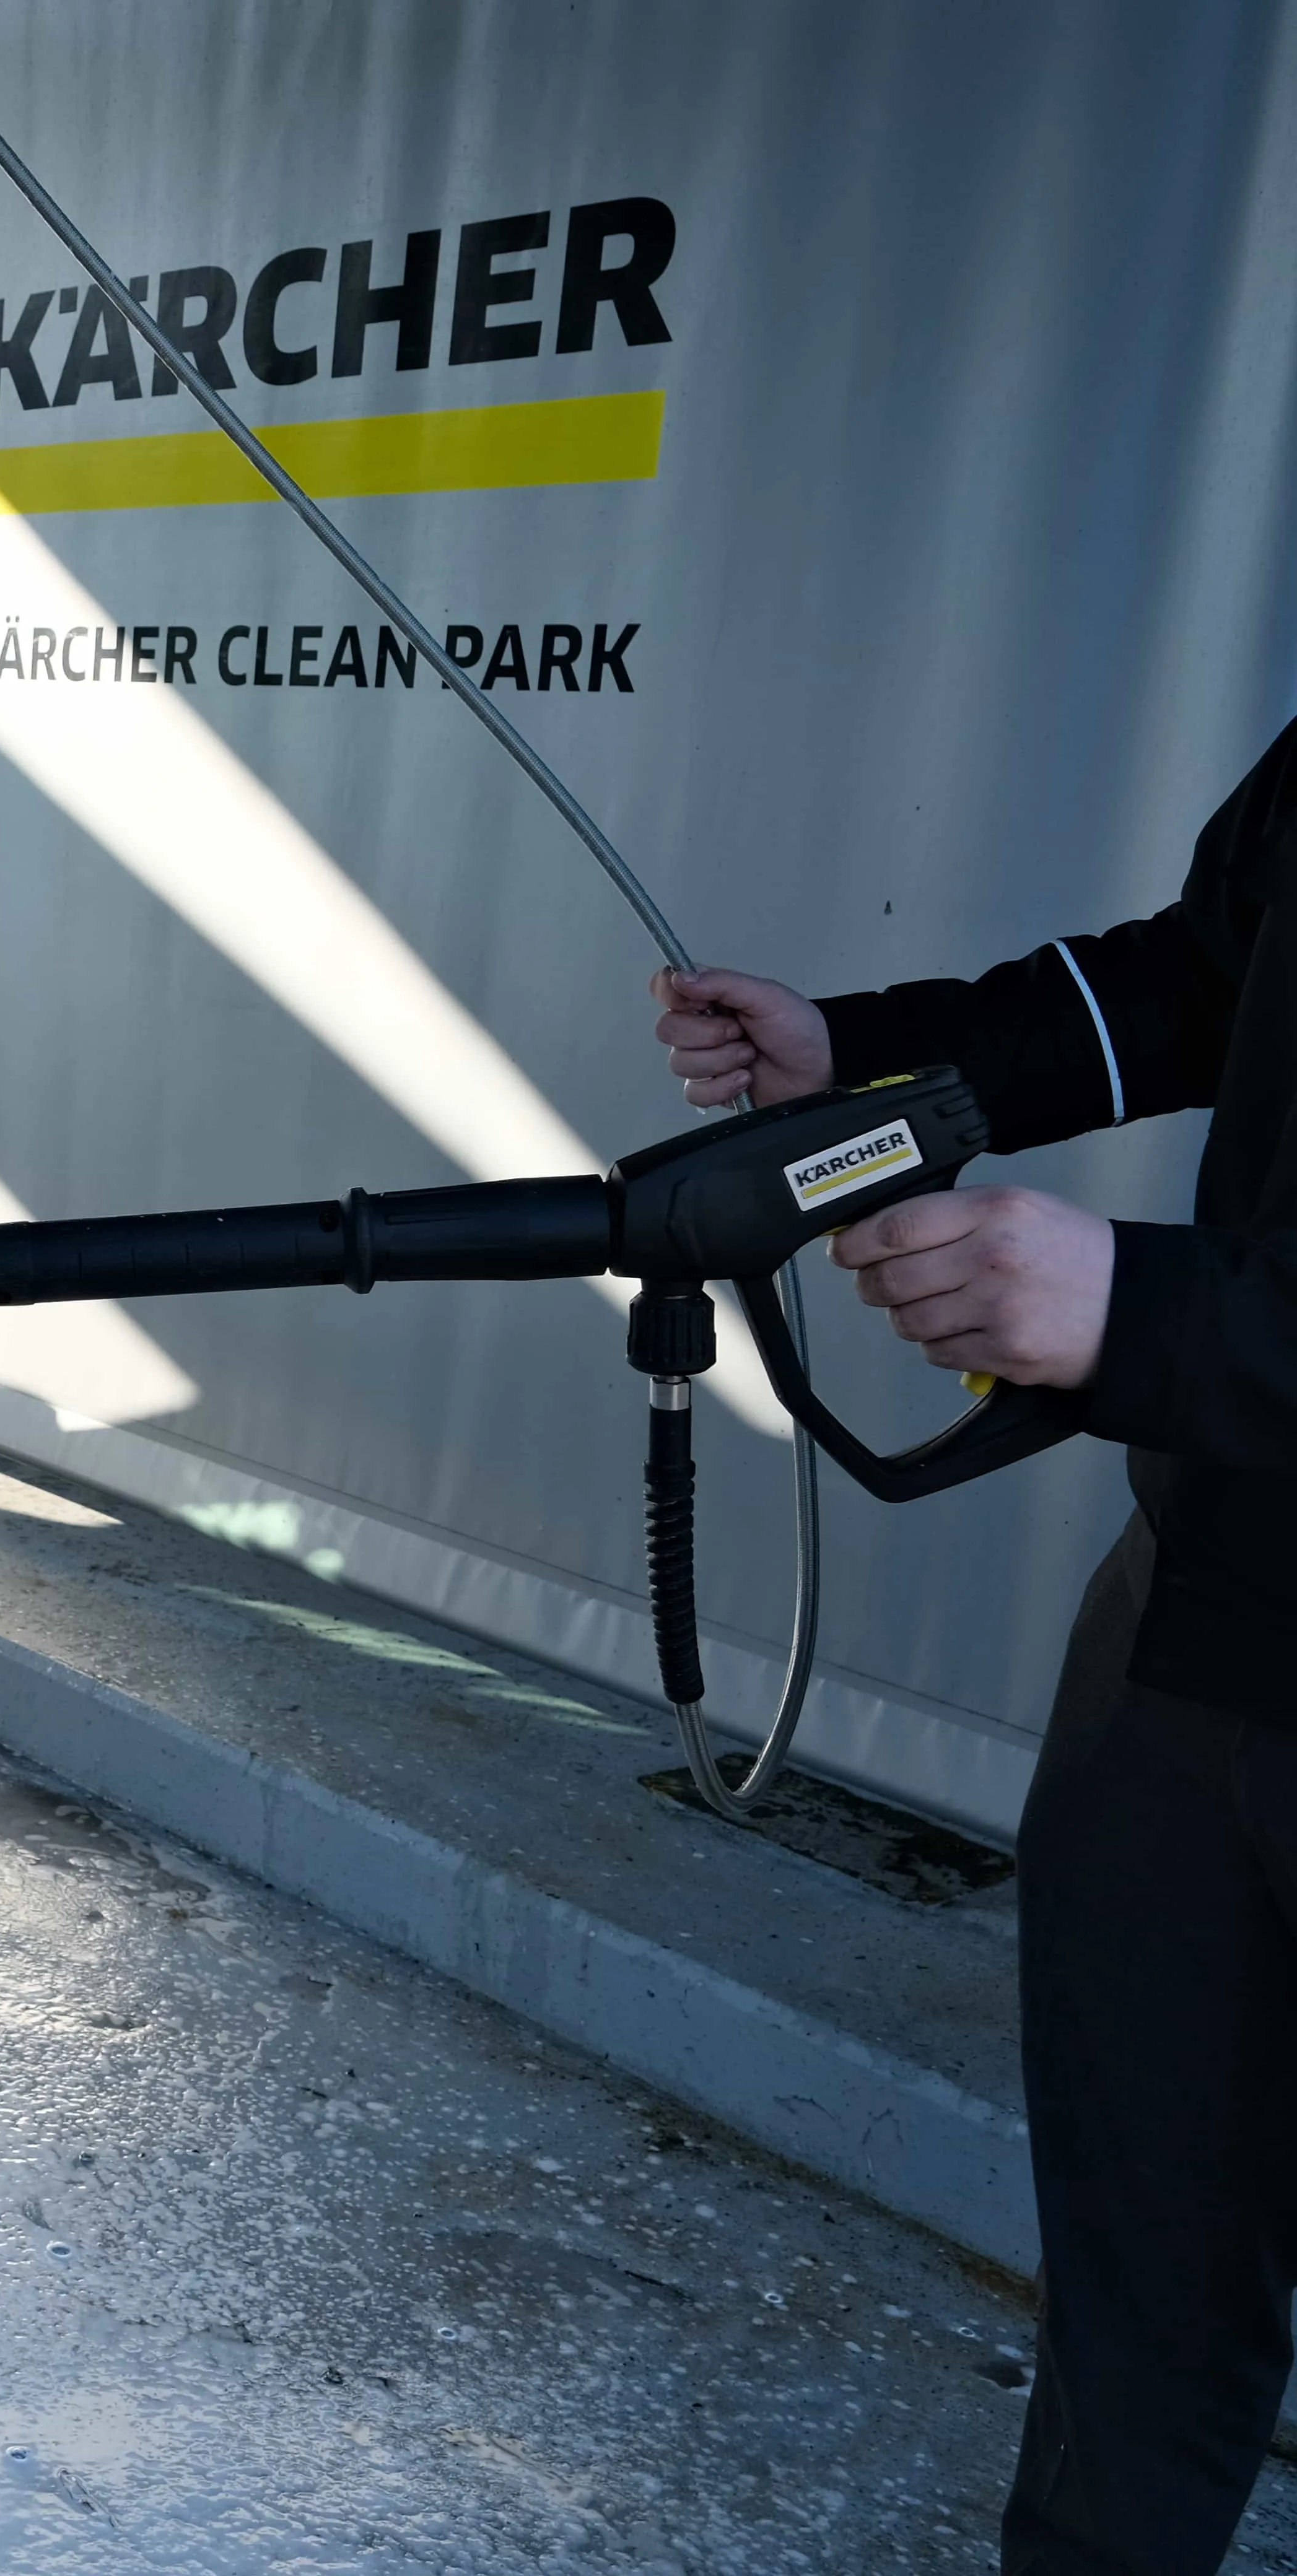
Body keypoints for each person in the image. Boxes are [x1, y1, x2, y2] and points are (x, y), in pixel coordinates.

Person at [650, 712, 1297, 2575]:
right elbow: (1199, 979)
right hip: (1209, 1607)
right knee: (1140, 2296)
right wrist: (869, 1059)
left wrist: (1148, 1308)